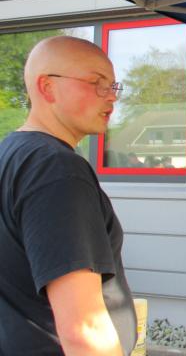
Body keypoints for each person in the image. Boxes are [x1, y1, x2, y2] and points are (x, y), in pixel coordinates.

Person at [0, 36, 137, 355]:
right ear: (47, 87)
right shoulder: (57, 170)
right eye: (96, 83)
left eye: (113, 86)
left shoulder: (11, 154)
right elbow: (84, 330)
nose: (111, 97)